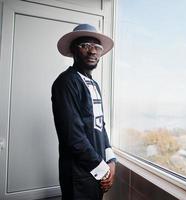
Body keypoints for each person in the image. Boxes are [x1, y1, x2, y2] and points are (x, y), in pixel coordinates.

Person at [52, 24, 117, 200]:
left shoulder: (94, 85)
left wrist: (111, 160)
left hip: (97, 171)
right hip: (78, 175)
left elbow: (100, 125)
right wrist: (102, 170)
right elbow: (73, 136)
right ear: (74, 50)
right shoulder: (66, 82)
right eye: (85, 45)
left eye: (97, 47)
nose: (92, 51)